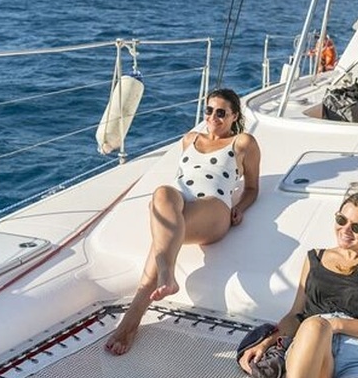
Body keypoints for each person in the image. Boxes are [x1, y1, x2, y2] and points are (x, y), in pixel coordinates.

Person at [105, 88, 261, 355]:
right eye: (209, 110)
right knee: (162, 192)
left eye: (221, 112)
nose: (213, 117)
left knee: (165, 230)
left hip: (214, 206)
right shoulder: (189, 139)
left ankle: (133, 317)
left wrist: (240, 208)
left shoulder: (243, 142)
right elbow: (183, 178)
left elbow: (252, 188)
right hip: (179, 199)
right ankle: (165, 274)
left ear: (234, 116)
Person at [238, 191, 358, 378]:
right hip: (311, 346)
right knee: (315, 326)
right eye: (341, 220)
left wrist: (335, 324)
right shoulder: (314, 257)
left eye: (356, 227)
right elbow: (295, 315)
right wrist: (266, 342)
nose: (346, 230)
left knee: (318, 324)